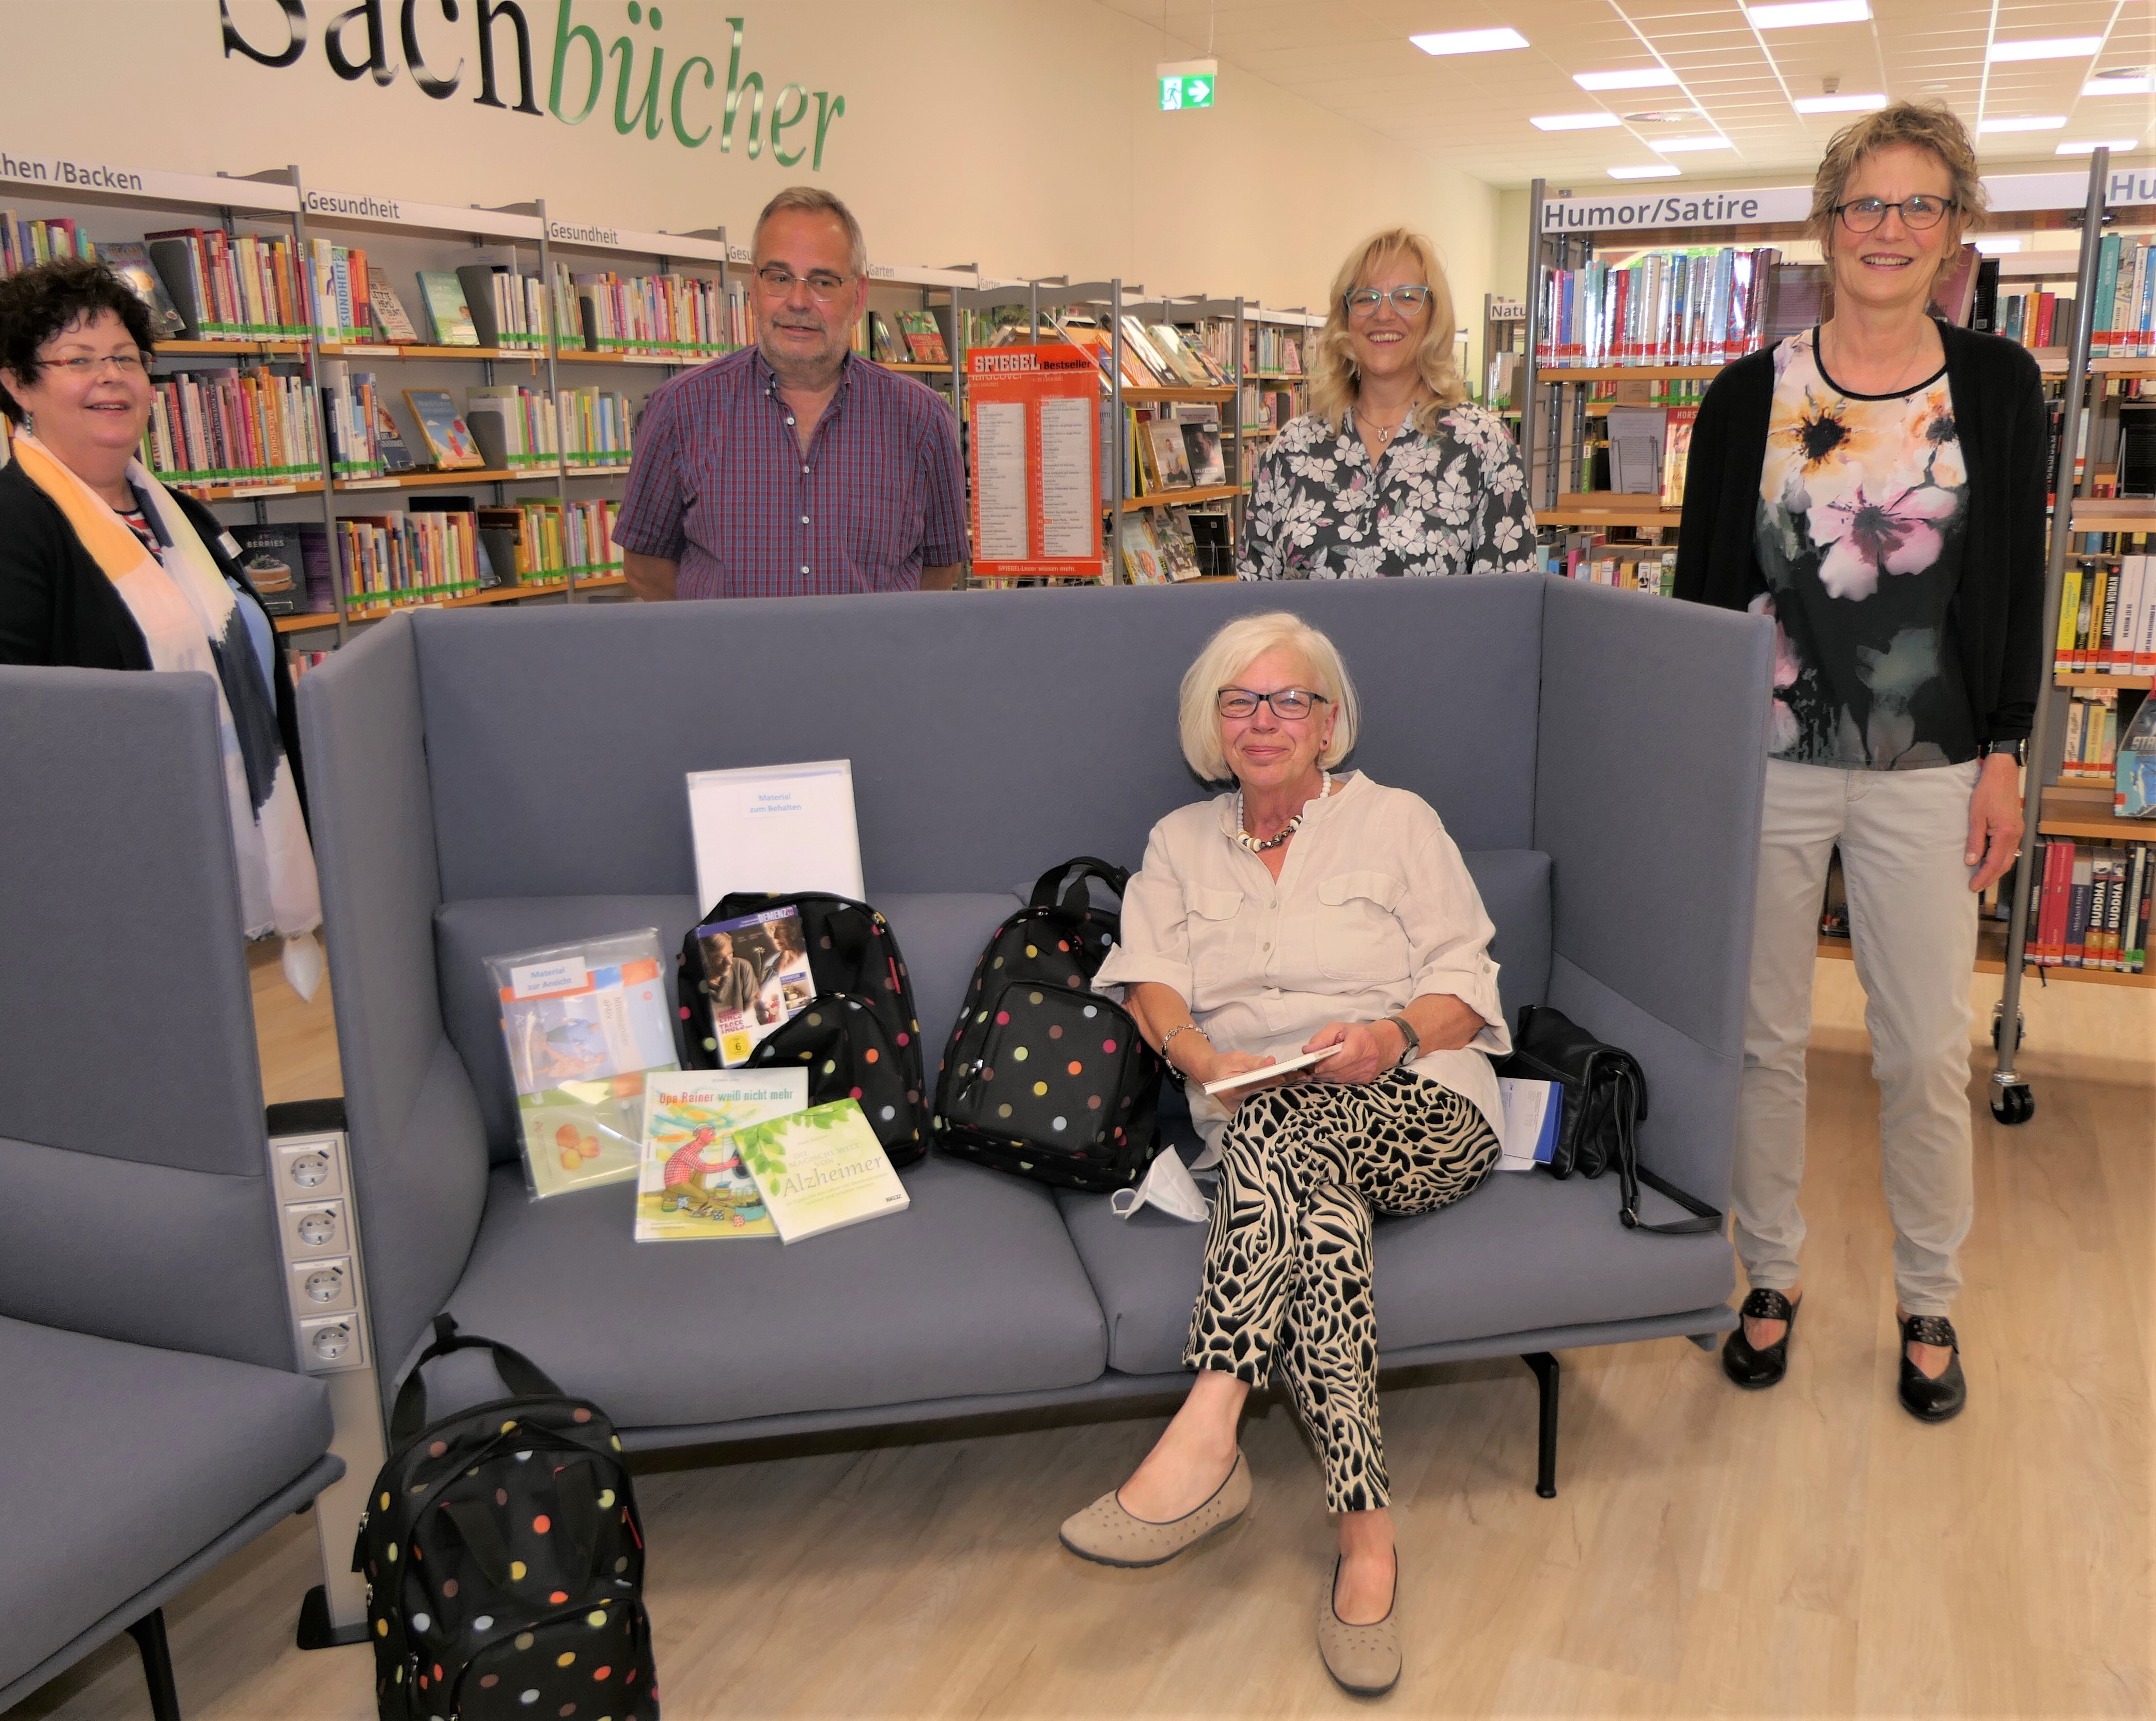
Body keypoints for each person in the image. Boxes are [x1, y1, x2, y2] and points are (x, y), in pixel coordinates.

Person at [1674, 101, 2043, 1423]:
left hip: (1933, 765)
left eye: (1919, 205)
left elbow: (2013, 578)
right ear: (1826, 224)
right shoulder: (1747, 394)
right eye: (1865, 204)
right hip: (1768, 760)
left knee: (1923, 1046)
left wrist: (2005, 751)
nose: (1890, 229)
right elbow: (1702, 596)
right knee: (1765, 1037)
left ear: (1955, 232)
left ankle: (1928, 1295)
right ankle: (1768, 1272)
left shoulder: (1996, 385)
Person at [1061, 611, 1509, 1696]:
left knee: (1286, 1126)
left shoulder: (1399, 823)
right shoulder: (1179, 842)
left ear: (1327, 723)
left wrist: (1388, 1036)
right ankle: (1367, 1542)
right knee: (1294, 1162)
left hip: (1417, 1102)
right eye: (1239, 701)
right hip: (1261, 1118)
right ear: (1211, 725)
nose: (1264, 722)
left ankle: (1210, 1426)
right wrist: (1199, 1051)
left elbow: (1468, 981)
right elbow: (1150, 977)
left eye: (1289, 701)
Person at [0, 258, 322, 988]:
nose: (110, 378)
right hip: (102, 885)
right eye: (77, 360)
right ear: (17, 384)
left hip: (220, 847)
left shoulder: (181, 516)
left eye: (125, 359)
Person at [615, 187, 968, 599]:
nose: (798, 302)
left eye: (823, 281)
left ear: (858, 297)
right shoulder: (679, 410)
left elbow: (941, 569)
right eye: (779, 278)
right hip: (729, 664)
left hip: (869, 666)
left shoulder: (923, 419)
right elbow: (645, 567)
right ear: (754, 287)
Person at [1241, 228, 1536, 580]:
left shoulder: (1484, 447)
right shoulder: (1293, 449)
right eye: (1366, 298)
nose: (1384, 315)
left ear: (1433, 316)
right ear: (1346, 317)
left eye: (1407, 297)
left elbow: (1507, 610)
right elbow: (1253, 603)